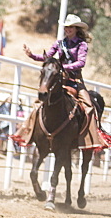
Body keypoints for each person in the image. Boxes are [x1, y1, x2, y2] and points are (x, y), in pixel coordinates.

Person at [15, 14, 103, 148]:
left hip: (75, 81)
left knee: (89, 107)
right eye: (66, 27)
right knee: (39, 104)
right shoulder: (59, 43)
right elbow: (47, 56)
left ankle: (91, 140)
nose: (68, 29)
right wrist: (32, 55)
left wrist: (63, 67)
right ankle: (27, 133)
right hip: (59, 81)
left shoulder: (82, 44)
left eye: (71, 27)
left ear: (76, 29)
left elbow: (81, 62)